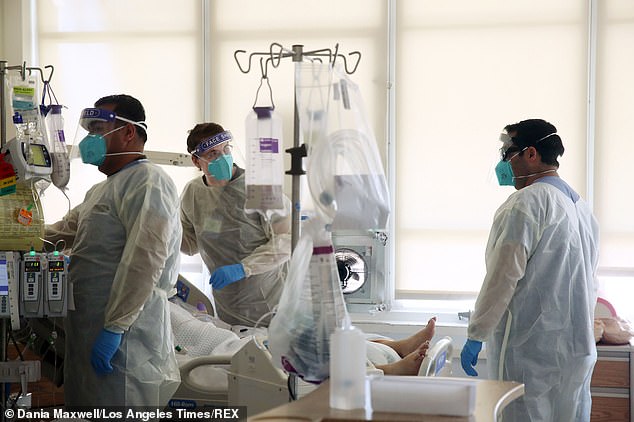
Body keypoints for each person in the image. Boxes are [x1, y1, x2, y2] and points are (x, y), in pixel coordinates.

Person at [45, 94, 181, 407]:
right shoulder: (101, 190)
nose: (91, 139)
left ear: (129, 132)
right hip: (89, 328)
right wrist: (16, 233)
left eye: (97, 128)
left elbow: (145, 260)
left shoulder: (149, 181)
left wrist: (116, 326)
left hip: (127, 336)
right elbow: (60, 233)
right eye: (89, 130)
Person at [460, 119, 599, 421]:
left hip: (531, 350)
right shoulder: (580, 208)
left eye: (508, 152)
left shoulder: (526, 204)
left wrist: (477, 332)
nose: (503, 161)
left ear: (531, 154)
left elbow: (502, 277)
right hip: (576, 347)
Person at [180, 122, 291, 326]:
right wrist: (161, 230)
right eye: (212, 154)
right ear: (196, 161)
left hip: (270, 303)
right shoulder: (193, 193)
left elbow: (287, 240)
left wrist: (244, 268)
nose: (222, 158)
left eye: (226, 149)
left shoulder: (260, 188)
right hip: (228, 305)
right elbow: (190, 244)